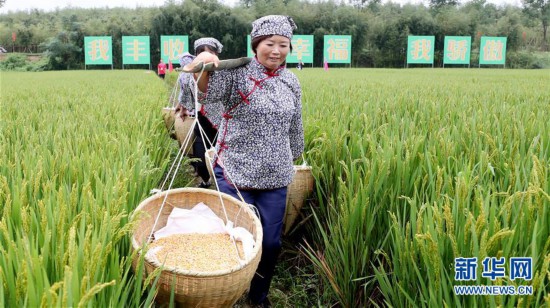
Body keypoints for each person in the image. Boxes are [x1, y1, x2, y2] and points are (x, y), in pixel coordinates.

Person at [185, 15, 303, 307]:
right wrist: (204, 64)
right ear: (256, 45)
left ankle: (258, 295)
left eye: (283, 45)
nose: (276, 51)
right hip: (235, 171)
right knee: (236, 237)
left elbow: (295, 123)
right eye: (269, 43)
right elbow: (204, 93)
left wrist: (295, 154)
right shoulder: (237, 73)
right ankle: (229, 289)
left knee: (272, 243)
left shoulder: (291, 81)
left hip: (275, 176)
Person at [176, 37, 224, 188]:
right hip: (202, 121)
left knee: (222, 159)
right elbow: (187, 92)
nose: (206, 56)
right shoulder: (192, 74)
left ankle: (224, 188)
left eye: (210, 52)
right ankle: (205, 181)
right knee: (200, 158)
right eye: (201, 52)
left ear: (216, 54)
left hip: (223, 124)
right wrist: (183, 107)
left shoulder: (225, 74)